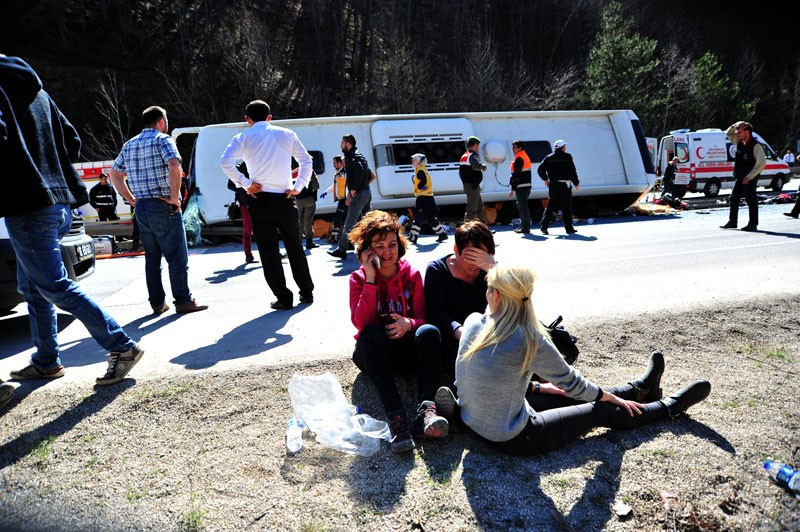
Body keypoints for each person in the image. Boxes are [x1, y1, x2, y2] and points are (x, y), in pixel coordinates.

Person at [434, 263, 712, 456]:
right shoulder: (529, 338)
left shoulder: (471, 322)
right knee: (600, 409)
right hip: (514, 437)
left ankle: (640, 389)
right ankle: (670, 407)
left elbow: (494, 380)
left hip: (477, 421)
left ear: (493, 294)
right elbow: (573, 383)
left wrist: (546, 389)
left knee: (577, 395)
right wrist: (607, 398)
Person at [1, 54, 143, 386]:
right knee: (34, 287)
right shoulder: (38, 92)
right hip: (60, 202)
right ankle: (46, 361)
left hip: (28, 205)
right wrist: (54, 175)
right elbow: (72, 139)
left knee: (52, 285)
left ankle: (122, 346)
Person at [348, 210, 447, 453]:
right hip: (373, 353)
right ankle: (397, 420)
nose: (387, 252)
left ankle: (426, 410)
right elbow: (361, 324)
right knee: (371, 332)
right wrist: (371, 279)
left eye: (392, 244)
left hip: (404, 348)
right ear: (367, 250)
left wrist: (409, 324)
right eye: (379, 246)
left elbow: (423, 317)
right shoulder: (357, 279)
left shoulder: (411, 274)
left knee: (430, 331)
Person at [110, 106, 208, 315]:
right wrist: (174, 197)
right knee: (177, 257)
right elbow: (174, 164)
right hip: (163, 205)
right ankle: (183, 300)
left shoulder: (130, 144)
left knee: (152, 260)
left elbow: (115, 174)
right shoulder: (163, 140)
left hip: (142, 207)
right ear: (161, 121)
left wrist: (131, 199)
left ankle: (157, 304)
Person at [220, 100, 314, 310]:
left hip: (260, 199)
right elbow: (306, 161)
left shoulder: (242, 137)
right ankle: (306, 291)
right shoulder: (286, 134)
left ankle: (283, 297)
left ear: (247, 120)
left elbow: (225, 162)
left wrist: (245, 184)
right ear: (270, 117)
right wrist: (298, 187)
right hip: (285, 197)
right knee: (294, 247)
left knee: (269, 251)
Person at [424, 221, 496, 388]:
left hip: (487, 332)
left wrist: (493, 269)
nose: (475, 264)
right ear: (456, 250)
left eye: (480, 257)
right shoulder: (437, 270)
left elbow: (514, 300)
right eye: (470, 257)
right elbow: (436, 313)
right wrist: (460, 331)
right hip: (453, 336)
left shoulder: (489, 270)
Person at [328, 134, 372, 259]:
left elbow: (359, 172)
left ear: (348, 144)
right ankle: (372, 245)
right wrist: (363, 186)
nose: (340, 145)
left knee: (350, 222)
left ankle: (341, 250)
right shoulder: (359, 155)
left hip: (359, 194)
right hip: (366, 192)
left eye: (342, 143)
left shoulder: (351, 157)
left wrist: (354, 189)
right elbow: (369, 174)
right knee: (368, 222)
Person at [720, 121, 765, 232]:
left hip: (750, 177)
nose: (737, 133)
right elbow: (728, 134)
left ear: (747, 131)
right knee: (734, 198)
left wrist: (749, 177)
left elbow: (761, 163)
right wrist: (735, 125)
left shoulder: (756, 145)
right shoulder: (739, 142)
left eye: (739, 131)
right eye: (737, 131)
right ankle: (732, 222)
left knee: (751, 200)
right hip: (740, 177)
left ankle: (752, 224)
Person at [538, 139, 579, 235]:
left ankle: (544, 226)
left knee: (550, 206)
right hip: (565, 185)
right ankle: (569, 228)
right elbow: (572, 171)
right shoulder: (567, 157)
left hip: (553, 185)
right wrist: (576, 182)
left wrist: (545, 179)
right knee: (567, 206)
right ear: (562, 147)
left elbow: (540, 170)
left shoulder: (548, 158)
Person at [408, 153, 448, 244]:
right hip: (428, 197)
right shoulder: (421, 169)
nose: (412, 162)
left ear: (418, 162)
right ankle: (442, 234)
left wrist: (419, 186)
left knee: (418, 217)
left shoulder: (420, 170)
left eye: (414, 161)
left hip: (422, 197)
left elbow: (423, 180)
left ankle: (413, 237)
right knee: (431, 217)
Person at [226, 161, 257, 263]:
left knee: (265, 228)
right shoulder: (239, 168)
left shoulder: (256, 165)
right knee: (248, 230)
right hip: (246, 203)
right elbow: (230, 185)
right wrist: (245, 189)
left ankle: (274, 252)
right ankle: (248, 255)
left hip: (256, 201)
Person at [459, 136, 487, 223]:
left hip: (469, 185)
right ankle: (466, 229)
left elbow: (460, 172)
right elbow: (475, 166)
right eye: (478, 145)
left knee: (479, 207)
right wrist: (483, 166)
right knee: (472, 209)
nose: (478, 147)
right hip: (472, 185)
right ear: (475, 145)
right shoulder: (472, 155)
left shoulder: (464, 156)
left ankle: (483, 227)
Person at [508, 141, 533, 234]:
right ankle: (523, 225)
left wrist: (513, 189)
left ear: (520, 148)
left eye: (515, 147)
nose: (513, 149)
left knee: (523, 207)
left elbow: (516, 176)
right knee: (522, 206)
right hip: (526, 185)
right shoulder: (524, 157)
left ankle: (525, 227)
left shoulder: (519, 159)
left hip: (521, 186)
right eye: (513, 147)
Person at [295, 169, 319, 250]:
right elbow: (316, 186)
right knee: (308, 220)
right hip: (309, 199)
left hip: (297, 200)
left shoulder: (296, 171)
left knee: (299, 220)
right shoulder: (310, 171)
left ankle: (298, 242)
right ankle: (309, 242)